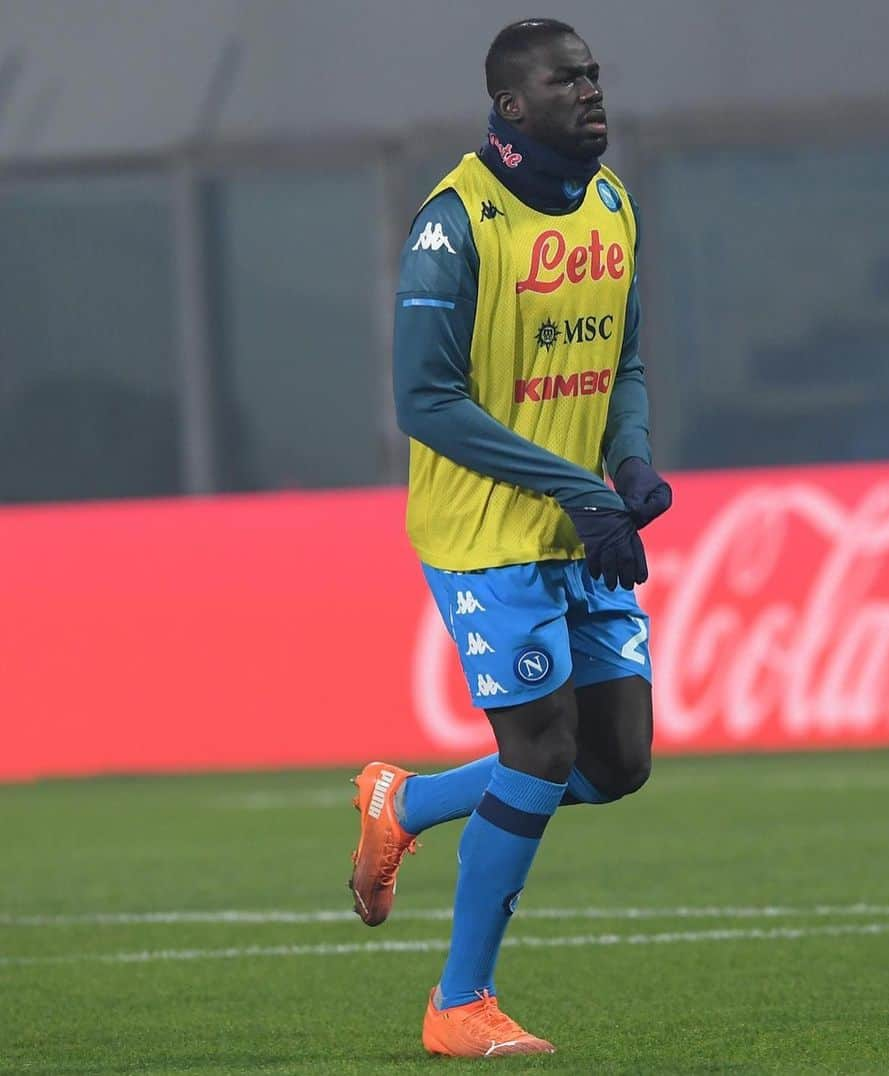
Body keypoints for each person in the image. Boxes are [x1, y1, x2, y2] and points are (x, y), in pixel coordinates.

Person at [348, 18, 672, 1058]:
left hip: (581, 521)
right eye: (565, 81)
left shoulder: (613, 204)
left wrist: (626, 467)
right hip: (485, 534)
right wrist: (581, 489)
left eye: (593, 76)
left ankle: (406, 801)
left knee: (618, 761)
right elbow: (425, 400)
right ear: (509, 107)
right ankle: (459, 1004)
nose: (591, 93)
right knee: (538, 749)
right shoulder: (455, 225)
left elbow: (620, 361)